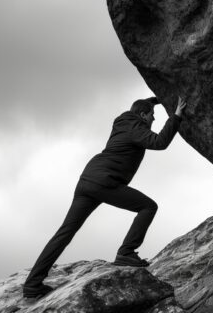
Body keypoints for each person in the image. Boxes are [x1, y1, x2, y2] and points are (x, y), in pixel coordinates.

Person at [22, 96, 188, 299]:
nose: (153, 120)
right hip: (105, 181)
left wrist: (158, 100)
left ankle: (32, 285)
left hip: (88, 180)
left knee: (65, 233)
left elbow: (142, 105)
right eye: (152, 116)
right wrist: (176, 117)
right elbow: (159, 142)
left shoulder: (124, 121)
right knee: (148, 207)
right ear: (143, 116)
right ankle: (126, 252)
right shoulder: (135, 127)